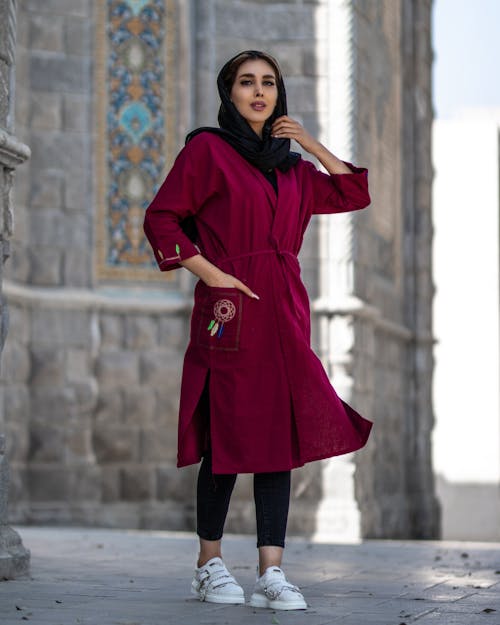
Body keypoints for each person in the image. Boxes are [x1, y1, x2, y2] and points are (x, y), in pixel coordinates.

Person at [143, 50, 372, 611]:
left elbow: (352, 193)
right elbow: (161, 218)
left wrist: (311, 144)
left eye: (268, 82)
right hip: (229, 307)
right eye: (246, 82)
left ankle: (272, 571)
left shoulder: (294, 169)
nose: (259, 92)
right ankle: (209, 563)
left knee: (279, 438)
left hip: (285, 309)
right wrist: (214, 274)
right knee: (225, 435)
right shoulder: (208, 150)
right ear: (230, 92)